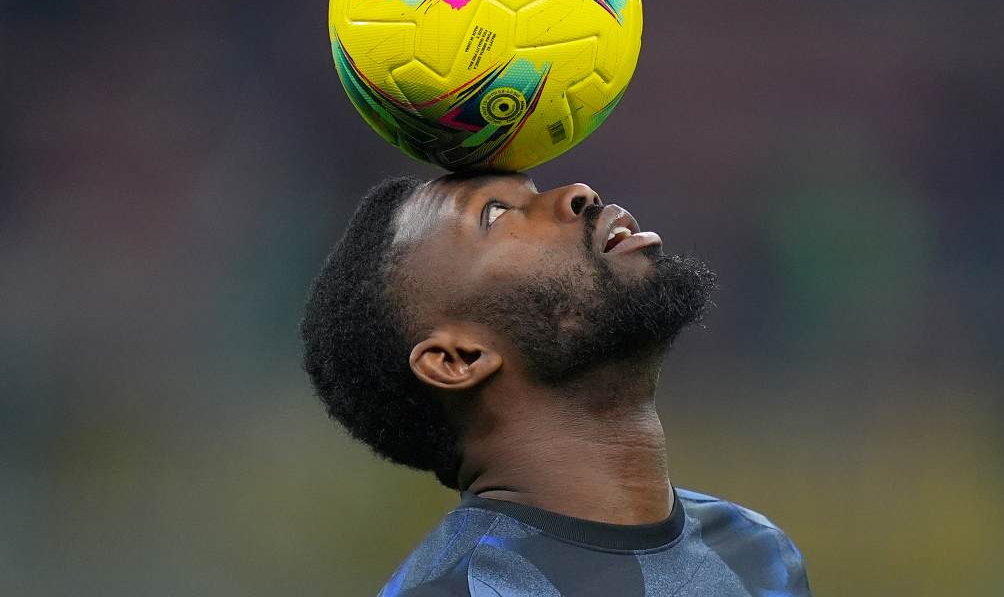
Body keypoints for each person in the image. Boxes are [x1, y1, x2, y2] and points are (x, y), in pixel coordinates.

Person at [301, 172, 812, 596]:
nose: (578, 193)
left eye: (533, 189)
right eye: (495, 215)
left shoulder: (758, 554)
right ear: (458, 359)